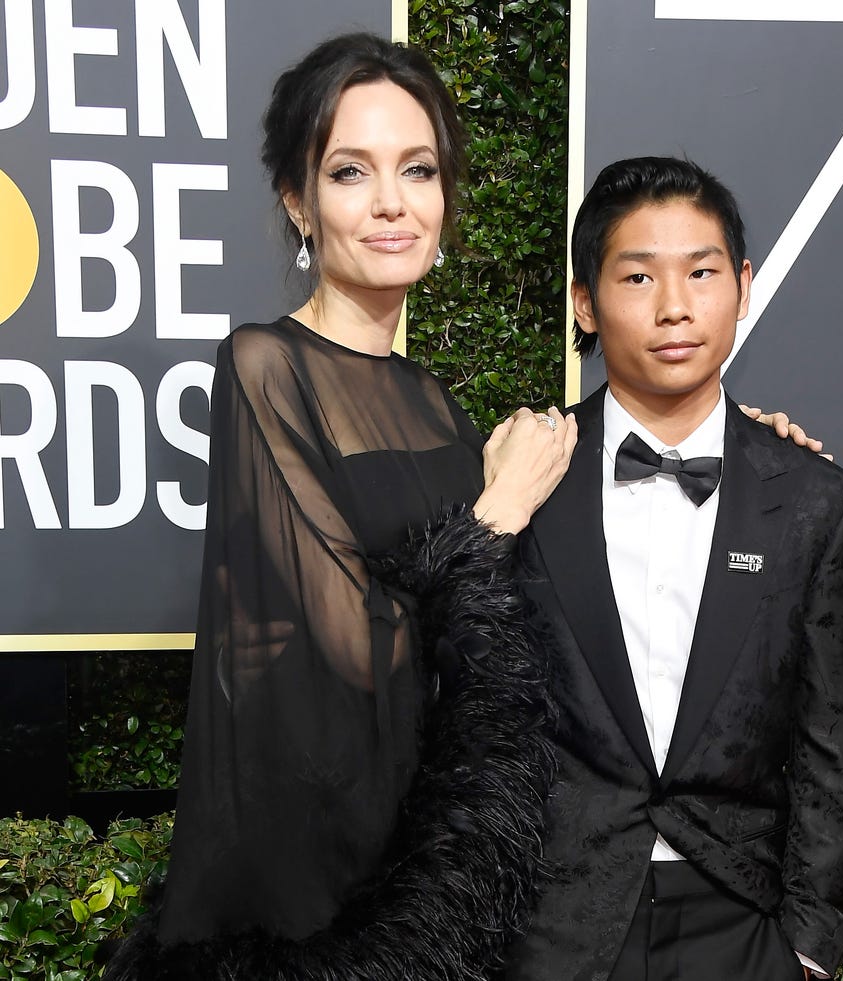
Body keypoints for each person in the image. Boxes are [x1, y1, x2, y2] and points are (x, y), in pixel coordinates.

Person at [104, 32, 578, 981]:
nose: (394, 203)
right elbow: (356, 645)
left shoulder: (435, 401)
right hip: (321, 898)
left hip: (437, 868)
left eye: (420, 169)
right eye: (351, 172)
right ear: (299, 200)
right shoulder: (263, 366)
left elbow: (478, 646)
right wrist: (500, 513)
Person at [505, 157, 843, 981]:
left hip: (742, 917)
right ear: (584, 300)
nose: (675, 306)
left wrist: (810, 948)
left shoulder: (816, 498)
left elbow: (835, 742)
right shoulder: (521, 476)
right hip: (554, 923)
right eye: (637, 276)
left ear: (742, 285)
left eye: (702, 272)